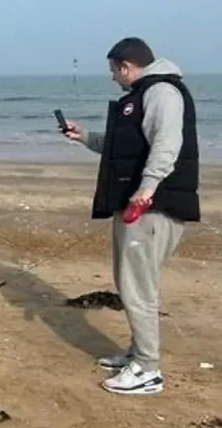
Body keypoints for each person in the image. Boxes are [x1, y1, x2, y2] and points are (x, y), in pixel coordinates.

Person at [63, 37, 199, 396]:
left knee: (138, 287)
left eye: (113, 70)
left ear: (126, 66)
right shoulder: (143, 96)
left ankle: (148, 371)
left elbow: (167, 144)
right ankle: (139, 354)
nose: (112, 78)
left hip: (152, 208)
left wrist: (147, 188)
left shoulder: (162, 93)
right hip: (142, 205)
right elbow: (125, 147)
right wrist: (85, 137)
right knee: (133, 283)